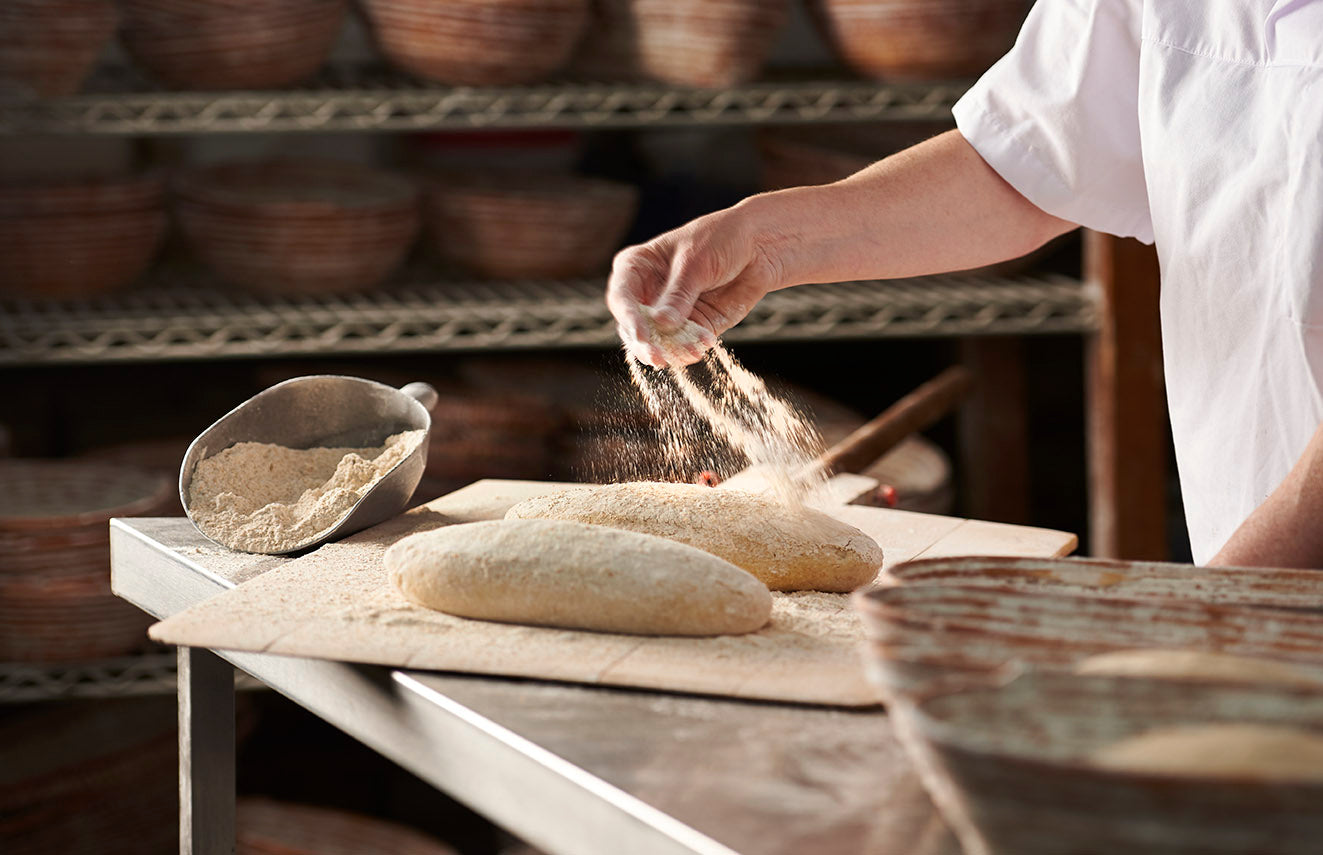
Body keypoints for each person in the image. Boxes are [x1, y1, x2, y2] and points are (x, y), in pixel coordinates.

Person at [606, 0, 1323, 570]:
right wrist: (762, 241)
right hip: (1253, 571)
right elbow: (1028, 164)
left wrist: (1227, 611)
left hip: (1274, 575)